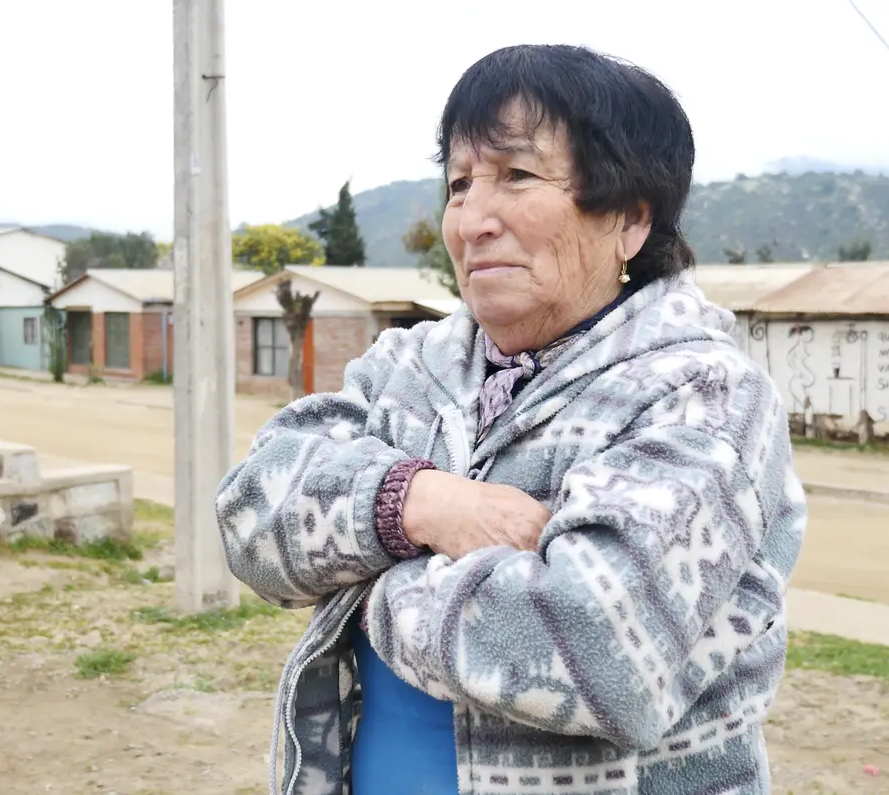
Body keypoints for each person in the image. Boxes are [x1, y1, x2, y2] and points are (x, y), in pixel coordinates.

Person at [216, 44, 806, 795]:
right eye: (460, 183)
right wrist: (418, 503)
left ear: (628, 217)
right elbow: (249, 512)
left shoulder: (705, 394)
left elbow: (597, 649)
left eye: (516, 176)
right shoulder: (410, 365)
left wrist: (361, 580)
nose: (472, 220)